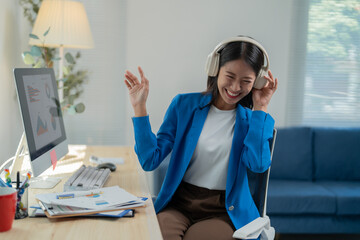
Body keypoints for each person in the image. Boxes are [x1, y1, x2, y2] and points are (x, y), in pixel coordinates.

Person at [124, 36, 278, 240]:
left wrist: (261, 107)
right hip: (179, 204)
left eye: (246, 81)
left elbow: (258, 165)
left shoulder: (253, 121)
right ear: (215, 69)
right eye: (230, 76)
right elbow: (149, 159)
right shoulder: (183, 105)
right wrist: (139, 107)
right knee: (157, 235)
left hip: (223, 210)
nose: (235, 87)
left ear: (256, 82)